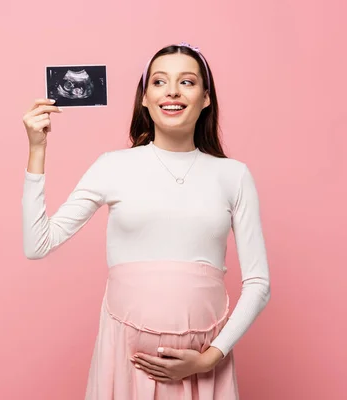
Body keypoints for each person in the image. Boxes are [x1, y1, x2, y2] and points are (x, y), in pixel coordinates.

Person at [20, 42, 271, 399]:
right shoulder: (113, 166)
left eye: (186, 82)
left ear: (206, 98)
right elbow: (37, 244)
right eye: (159, 82)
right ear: (144, 98)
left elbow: (259, 283)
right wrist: (37, 149)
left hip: (203, 369)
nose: (171, 91)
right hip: (122, 365)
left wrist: (209, 359)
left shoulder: (233, 176)